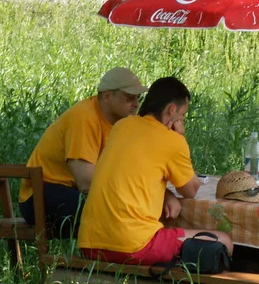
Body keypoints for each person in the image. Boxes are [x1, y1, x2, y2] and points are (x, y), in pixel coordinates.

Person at [78, 76, 234, 265]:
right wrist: (179, 136)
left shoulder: (121, 126)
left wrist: (166, 192)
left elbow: (131, 172)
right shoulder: (172, 140)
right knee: (224, 241)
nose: (182, 121)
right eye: (183, 115)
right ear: (171, 110)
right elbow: (190, 190)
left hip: (90, 243)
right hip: (133, 245)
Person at [18, 67, 147, 237]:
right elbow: (86, 182)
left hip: (70, 191)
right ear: (107, 96)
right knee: (118, 211)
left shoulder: (123, 123)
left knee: (139, 206)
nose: (136, 104)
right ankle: (99, 261)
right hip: (41, 195)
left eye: (138, 98)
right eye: (129, 98)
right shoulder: (85, 118)